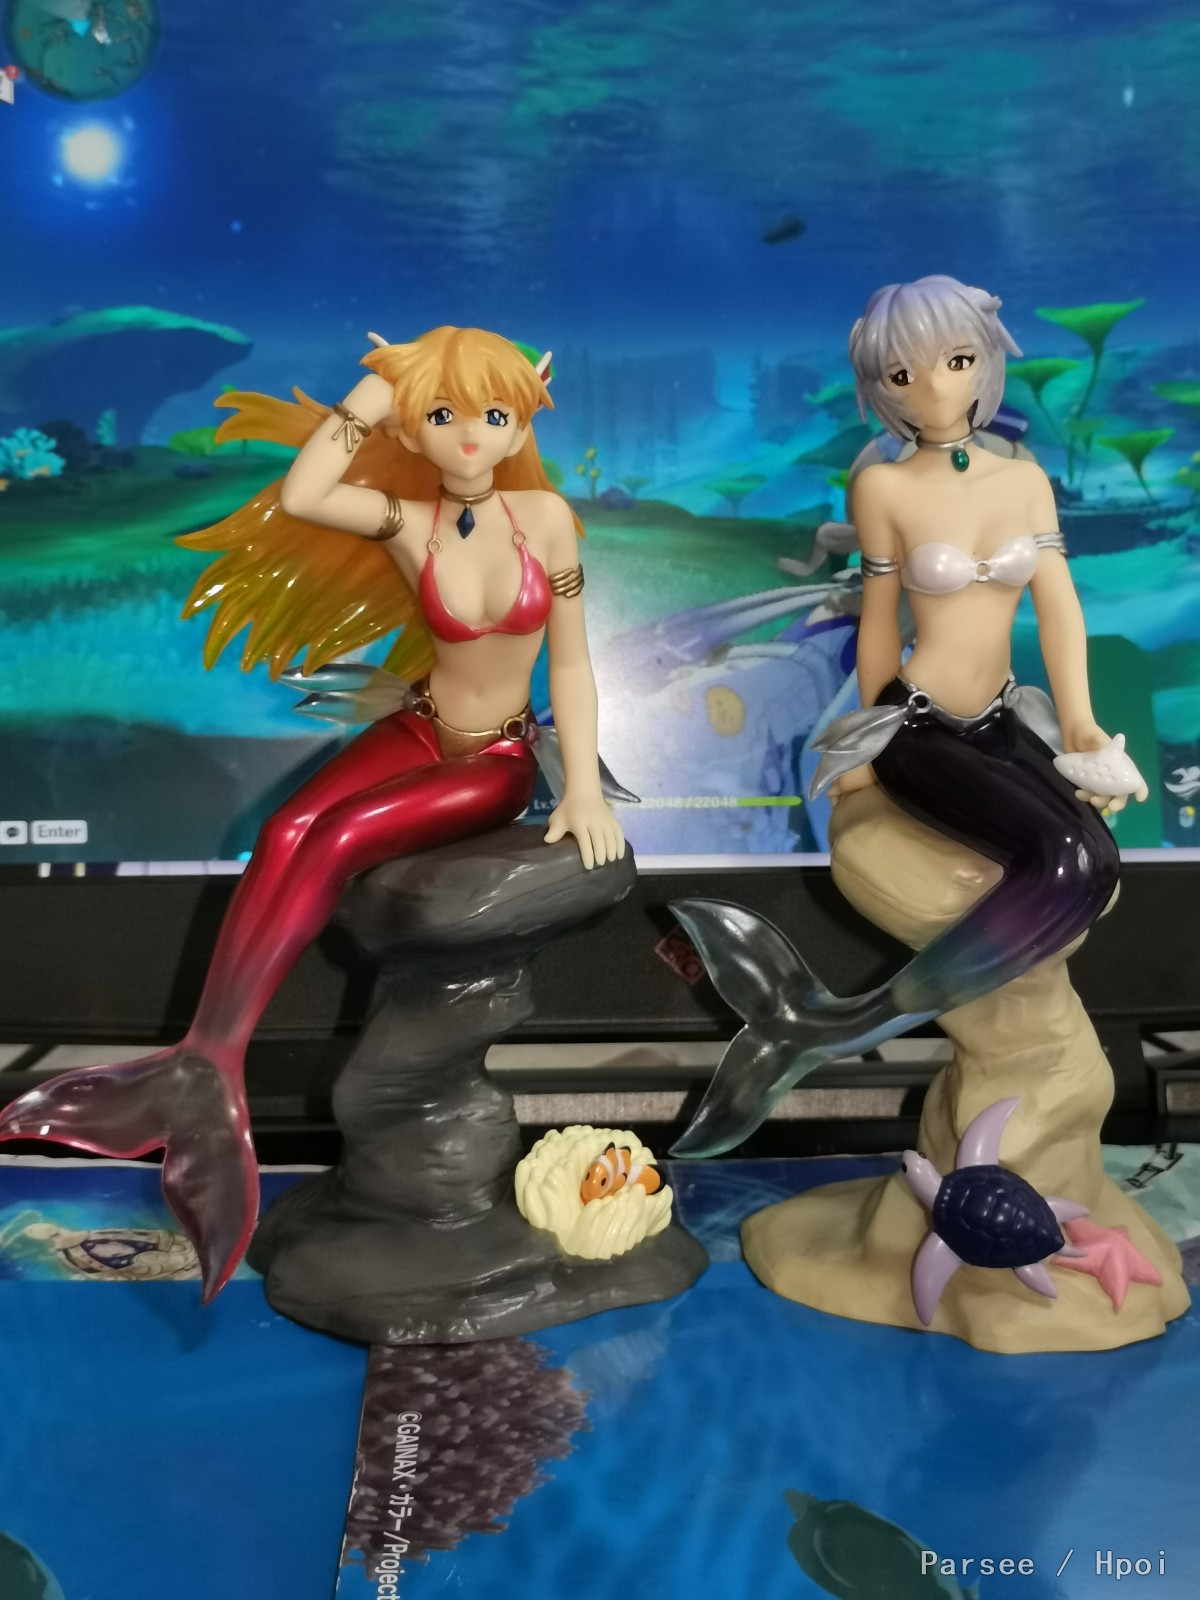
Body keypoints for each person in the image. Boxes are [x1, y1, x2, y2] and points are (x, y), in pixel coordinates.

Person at [0, 326, 624, 1296]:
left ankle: (208, 1068)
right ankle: (206, 1058)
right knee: (282, 831)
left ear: (522, 422)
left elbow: (573, 662)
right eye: (444, 415)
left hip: (497, 757)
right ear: (415, 428)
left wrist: (581, 787)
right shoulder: (410, 520)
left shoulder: (544, 518)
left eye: (493, 415)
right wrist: (384, 387)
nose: (469, 436)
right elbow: (305, 493)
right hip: (419, 727)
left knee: (335, 838)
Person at [669, 275, 1145, 1159]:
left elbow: (1060, 608)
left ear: (985, 361)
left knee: (1094, 859)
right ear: (878, 385)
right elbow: (879, 627)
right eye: (900, 375)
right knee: (1074, 858)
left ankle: (832, 1024)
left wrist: (1080, 726)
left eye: (956, 361)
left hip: (1000, 718)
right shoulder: (884, 489)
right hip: (915, 724)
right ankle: (853, 1025)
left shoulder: (1025, 480)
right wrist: (862, 747)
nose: (931, 389)